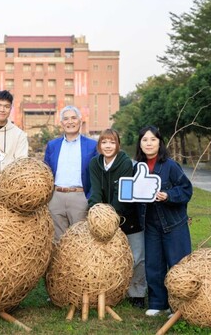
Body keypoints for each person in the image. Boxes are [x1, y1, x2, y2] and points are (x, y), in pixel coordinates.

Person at [134, 126, 193, 317]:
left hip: (173, 223)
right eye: (144, 140)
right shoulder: (138, 167)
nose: (149, 143)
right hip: (150, 223)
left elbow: (186, 190)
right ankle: (158, 303)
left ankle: (179, 306)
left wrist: (168, 195)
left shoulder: (170, 165)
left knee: (177, 264)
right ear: (140, 144)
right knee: (154, 264)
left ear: (159, 142)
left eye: (153, 139)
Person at [87, 129, 147, 309]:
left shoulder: (125, 162)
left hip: (127, 215)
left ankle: (137, 293)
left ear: (118, 145)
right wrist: (94, 211)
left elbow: (122, 193)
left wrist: (111, 216)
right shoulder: (94, 163)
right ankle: (111, 290)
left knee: (136, 256)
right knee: (109, 256)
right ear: (99, 145)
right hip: (105, 218)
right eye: (104, 142)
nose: (108, 146)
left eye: (112, 142)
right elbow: (96, 190)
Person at [44, 105, 98, 242]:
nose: (70, 122)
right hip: (56, 197)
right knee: (57, 241)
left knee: (80, 240)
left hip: (80, 197)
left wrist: (89, 198)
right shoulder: (52, 145)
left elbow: (97, 175)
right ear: (61, 123)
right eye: (66, 119)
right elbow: (46, 172)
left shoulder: (92, 146)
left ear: (80, 120)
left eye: (74, 118)